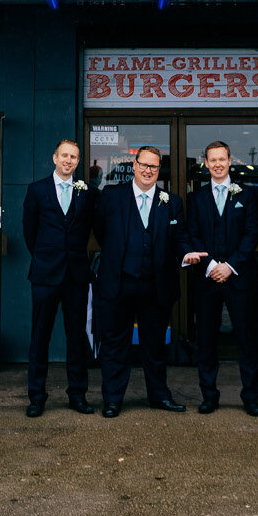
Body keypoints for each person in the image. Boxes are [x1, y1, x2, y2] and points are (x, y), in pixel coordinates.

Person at [91, 145, 186, 417]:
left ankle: (159, 396)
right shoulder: (111, 196)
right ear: (134, 165)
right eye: (144, 165)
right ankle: (112, 400)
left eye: (154, 167)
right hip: (118, 282)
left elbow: (178, 238)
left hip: (156, 285)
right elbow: (100, 230)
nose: (148, 170)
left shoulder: (172, 201)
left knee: (155, 345)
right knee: (115, 344)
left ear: (159, 170)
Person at [180, 141, 258, 416]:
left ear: (230, 160)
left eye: (221, 159)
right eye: (212, 160)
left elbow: (252, 235)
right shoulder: (196, 198)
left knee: (246, 340)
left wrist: (230, 265)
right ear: (206, 162)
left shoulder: (248, 196)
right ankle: (209, 396)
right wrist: (211, 264)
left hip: (240, 279)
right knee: (206, 340)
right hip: (206, 280)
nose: (217, 164)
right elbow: (191, 236)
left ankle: (251, 397)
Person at [20, 138, 96, 417]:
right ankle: (36, 397)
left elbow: (90, 228)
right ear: (55, 158)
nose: (68, 161)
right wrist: (45, 257)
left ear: (78, 162)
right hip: (45, 274)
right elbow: (30, 231)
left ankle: (77, 394)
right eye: (64, 155)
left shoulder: (87, 192)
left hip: (76, 275)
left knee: (76, 337)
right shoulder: (37, 190)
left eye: (74, 157)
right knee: (40, 336)